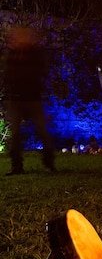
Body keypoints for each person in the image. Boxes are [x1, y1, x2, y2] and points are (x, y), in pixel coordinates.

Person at [2, 26, 56, 175]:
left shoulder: (34, 53)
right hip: (17, 98)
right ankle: (17, 166)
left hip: (32, 97)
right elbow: (7, 73)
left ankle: (49, 164)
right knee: (16, 134)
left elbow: (42, 70)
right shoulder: (13, 54)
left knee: (42, 131)